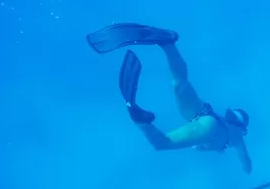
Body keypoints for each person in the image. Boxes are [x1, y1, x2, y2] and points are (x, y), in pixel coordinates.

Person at [86, 23, 252, 174]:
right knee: (162, 143)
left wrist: (205, 145)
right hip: (208, 125)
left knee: (179, 82)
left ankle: (168, 44)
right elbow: (246, 165)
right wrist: (247, 169)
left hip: (202, 113)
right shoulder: (237, 136)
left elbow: (200, 145)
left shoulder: (227, 130)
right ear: (241, 126)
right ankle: (142, 121)